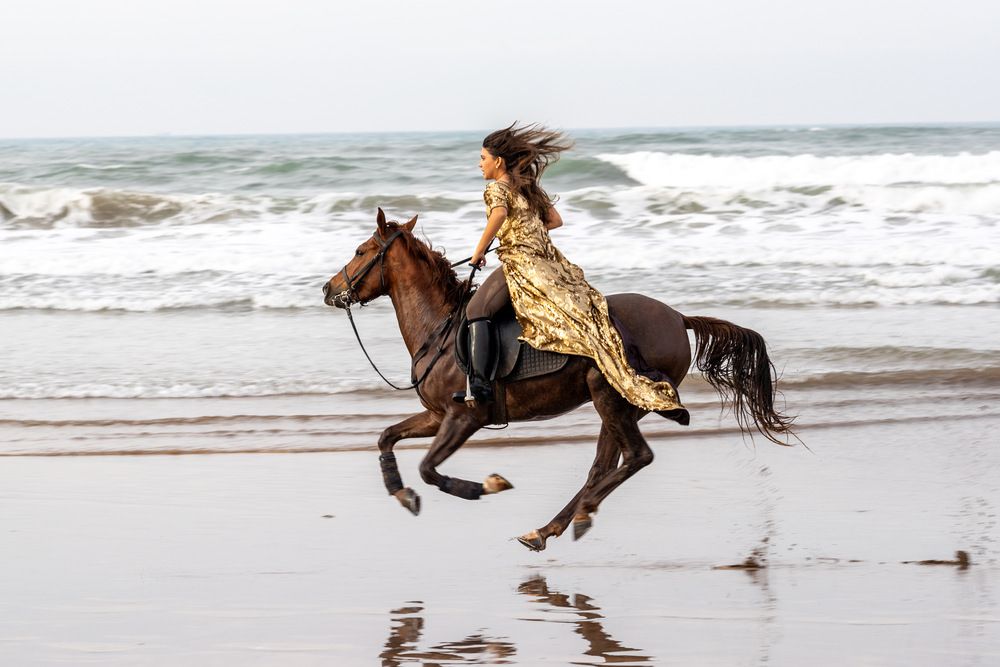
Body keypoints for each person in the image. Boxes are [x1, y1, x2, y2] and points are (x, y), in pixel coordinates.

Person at [456, 123, 684, 417]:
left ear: (498, 161)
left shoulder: (495, 188)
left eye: (483, 158)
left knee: (476, 310)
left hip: (522, 264)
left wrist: (479, 251)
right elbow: (554, 220)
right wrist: (527, 230)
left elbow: (499, 214)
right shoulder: (526, 185)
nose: (480, 164)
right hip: (551, 263)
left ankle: (480, 386)